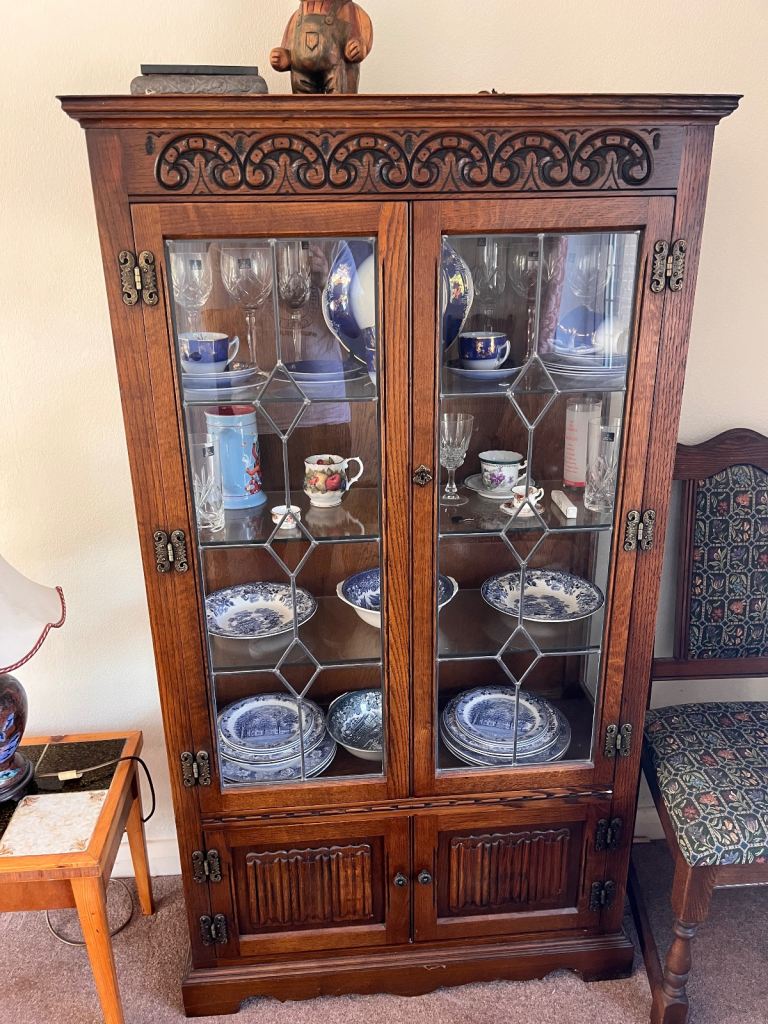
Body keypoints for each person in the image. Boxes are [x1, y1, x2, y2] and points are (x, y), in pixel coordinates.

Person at [270, 0, 373, 95]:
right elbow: (290, 41)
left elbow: (364, 31)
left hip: (337, 69)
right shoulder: (298, 15)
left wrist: (358, 47)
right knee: (302, 105)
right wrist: (284, 56)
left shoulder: (348, 10)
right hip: (301, 73)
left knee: (339, 102)